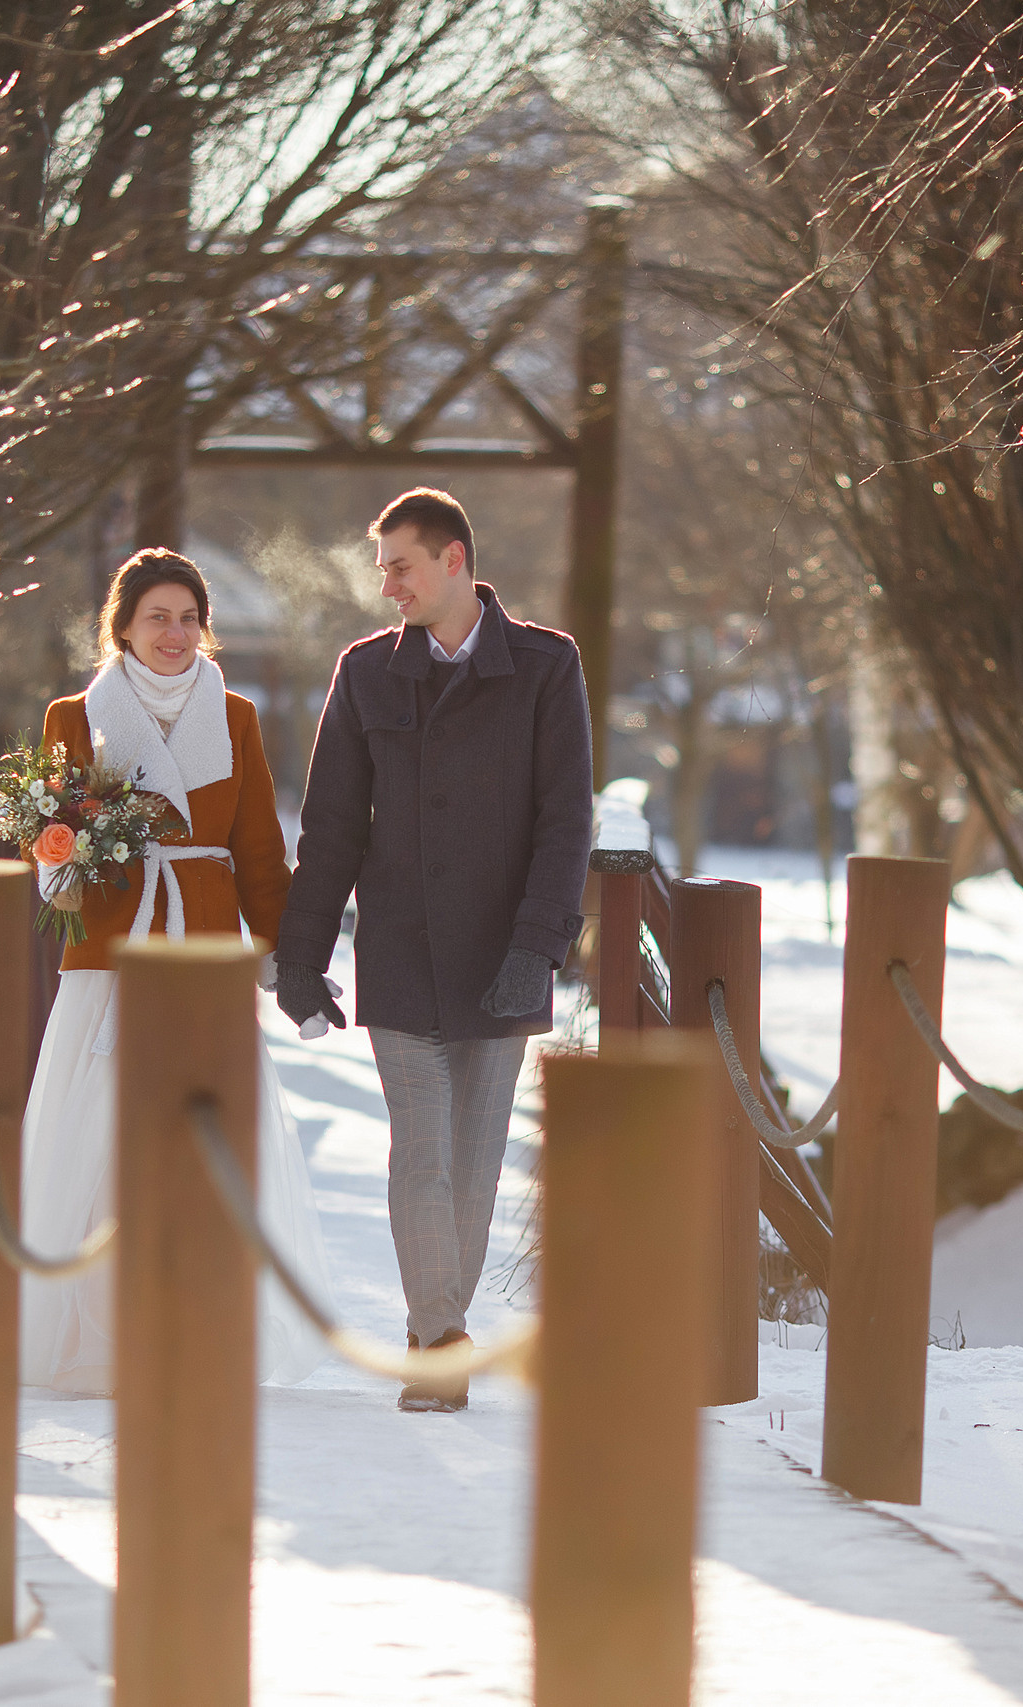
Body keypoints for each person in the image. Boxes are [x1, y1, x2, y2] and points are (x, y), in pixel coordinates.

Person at [273, 488, 595, 1412]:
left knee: (477, 1156)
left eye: (400, 565)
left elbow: (564, 819)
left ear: (454, 559)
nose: (387, 587)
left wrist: (538, 944)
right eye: (382, 568)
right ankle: (438, 1343)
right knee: (422, 1147)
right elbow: (331, 826)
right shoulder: (367, 672)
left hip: (505, 955)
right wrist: (303, 955)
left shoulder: (544, 665)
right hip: (403, 951)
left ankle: (433, 1331)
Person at [19, 547, 334, 1393]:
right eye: (158, 616)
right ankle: (102, 1340)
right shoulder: (75, 714)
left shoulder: (233, 716)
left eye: (190, 618)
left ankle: (194, 1328)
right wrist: (59, 854)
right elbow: (49, 831)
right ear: (121, 625)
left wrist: (287, 964)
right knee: (101, 1143)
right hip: (112, 957)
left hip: (202, 954)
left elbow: (260, 852)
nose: (175, 632)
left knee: (201, 1140)